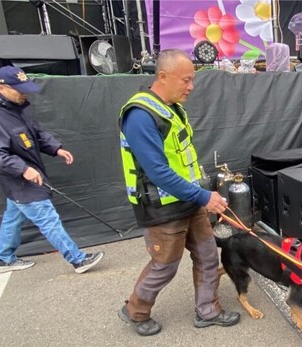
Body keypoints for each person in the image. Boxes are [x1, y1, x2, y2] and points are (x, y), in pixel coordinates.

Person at [117, 49, 240, 336]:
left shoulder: (171, 108)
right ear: (163, 76)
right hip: (161, 208)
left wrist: (200, 194)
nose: (191, 87)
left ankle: (208, 310)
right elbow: (158, 172)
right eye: (186, 80)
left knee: (208, 256)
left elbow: (181, 159)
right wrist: (204, 197)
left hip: (188, 199)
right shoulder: (140, 115)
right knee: (165, 266)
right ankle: (135, 311)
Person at [0, 65, 104, 274]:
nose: (24, 93)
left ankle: (4, 258)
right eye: (19, 89)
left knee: (13, 215)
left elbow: (36, 132)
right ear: (1, 88)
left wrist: (56, 148)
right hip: (18, 178)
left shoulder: (18, 105)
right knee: (47, 217)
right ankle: (77, 259)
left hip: (27, 173)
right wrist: (22, 169)